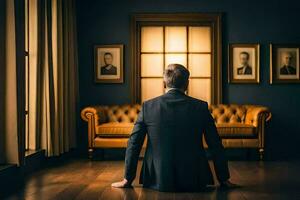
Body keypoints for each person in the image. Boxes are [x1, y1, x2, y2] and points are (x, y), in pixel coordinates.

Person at [112, 64, 236, 192]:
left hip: (157, 179)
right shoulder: (200, 107)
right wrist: (223, 178)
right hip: (194, 178)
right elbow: (215, 143)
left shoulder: (148, 107)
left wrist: (127, 178)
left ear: (164, 83)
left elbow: (134, 143)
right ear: (187, 84)